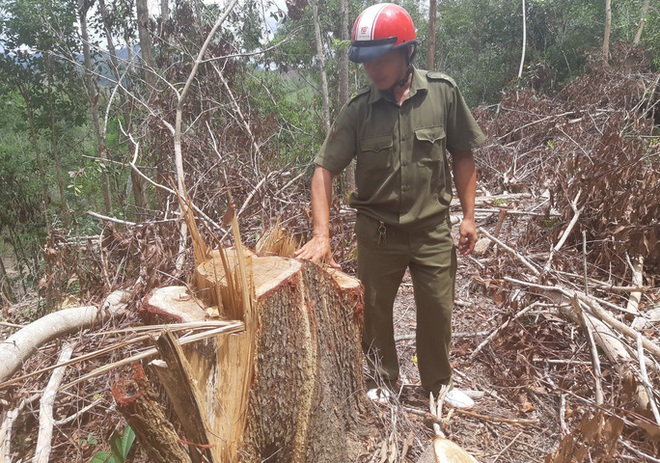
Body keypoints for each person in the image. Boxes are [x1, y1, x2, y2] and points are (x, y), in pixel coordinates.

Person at [295, 3, 485, 408]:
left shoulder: (443, 94)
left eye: (382, 58)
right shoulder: (358, 112)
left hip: (432, 229)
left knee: (436, 308)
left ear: (406, 52)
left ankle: (438, 384)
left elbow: (463, 154)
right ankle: (383, 378)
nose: (374, 69)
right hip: (378, 233)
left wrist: (469, 217)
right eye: (367, 61)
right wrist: (320, 234)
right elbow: (323, 169)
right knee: (376, 312)